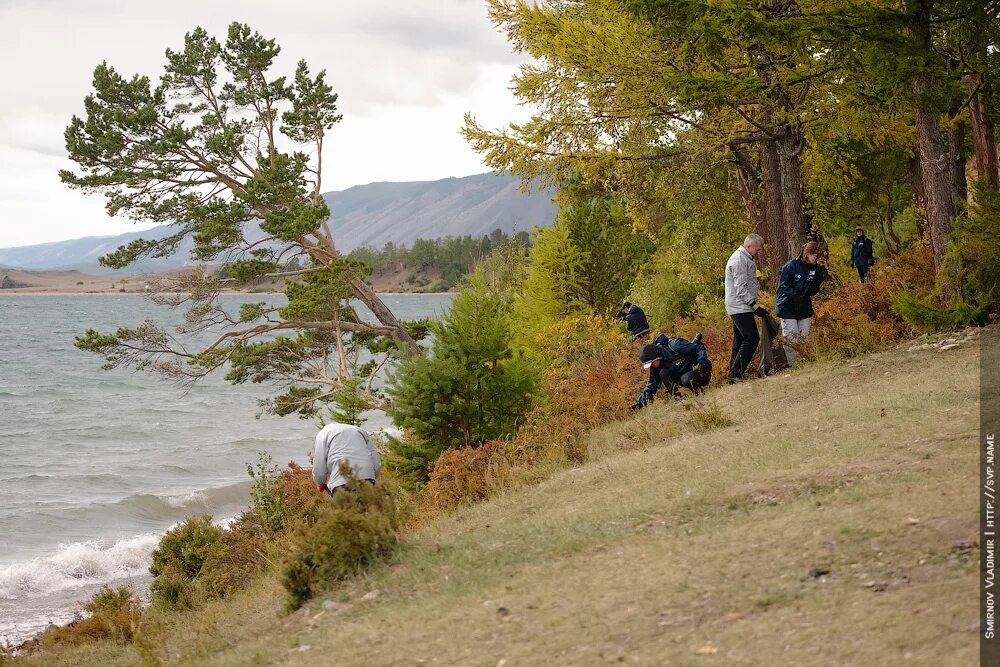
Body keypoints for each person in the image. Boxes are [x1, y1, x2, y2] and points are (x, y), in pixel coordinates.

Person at [724, 234, 767, 383]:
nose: (759, 252)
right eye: (758, 249)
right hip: (740, 306)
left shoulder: (746, 259)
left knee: (740, 340)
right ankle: (736, 373)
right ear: (749, 247)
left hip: (740, 306)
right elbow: (740, 288)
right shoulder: (739, 260)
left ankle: (733, 374)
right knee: (752, 338)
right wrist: (754, 305)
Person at [776, 241, 825, 365]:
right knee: (792, 338)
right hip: (788, 306)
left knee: (804, 337)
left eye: (817, 256)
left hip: (804, 306)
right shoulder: (791, 266)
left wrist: (813, 288)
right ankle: (793, 364)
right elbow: (783, 287)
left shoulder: (816, 269)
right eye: (814, 255)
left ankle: (804, 361)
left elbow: (815, 286)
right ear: (806, 253)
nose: (816, 258)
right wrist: (795, 294)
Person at [633, 333, 711, 409]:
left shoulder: (674, 345)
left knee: (686, 378)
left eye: (651, 363)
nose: (651, 366)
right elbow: (651, 385)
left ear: (656, 358)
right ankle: (678, 399)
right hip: (684, 378)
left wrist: (702, 362)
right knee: (663, 373)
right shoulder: (656, 366)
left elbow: (698, 348)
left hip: (701, 372)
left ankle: (700, 395)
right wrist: (639, 403)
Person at [312, 422, 381, 496]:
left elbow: (319, 466)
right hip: (367, 479)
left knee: (346, 507)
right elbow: (376, 461)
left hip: (341, 482)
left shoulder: (323, 434)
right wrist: (372, 477)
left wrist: (320, 482)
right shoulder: (359, 430)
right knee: (368, 507)